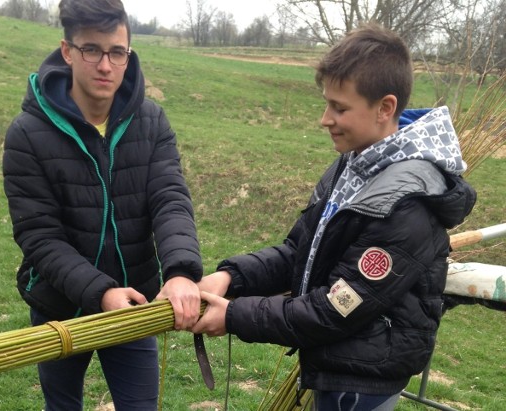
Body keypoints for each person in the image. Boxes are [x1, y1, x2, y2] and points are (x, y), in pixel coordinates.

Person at [192, 24, 476, 410]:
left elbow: (337, 307)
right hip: (338, 363)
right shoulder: (354, 165)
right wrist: (231, 276)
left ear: (385, 108)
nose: (325, 119)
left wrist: (236, 316)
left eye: (340, 108)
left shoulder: (408, 202)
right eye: (327, 104)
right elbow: (300, 251)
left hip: (361, 383)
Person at [2, 0, 203, 409]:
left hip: (134, 307)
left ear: (129, 52)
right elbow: (38, 234)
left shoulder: (151, 121)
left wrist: (181, 272)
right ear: (67, 51)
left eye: (117, 52)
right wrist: (101, 292)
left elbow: (170, 199)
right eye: (91, 50)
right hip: (60, 306)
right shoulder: (27, 133)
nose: (105, 66)